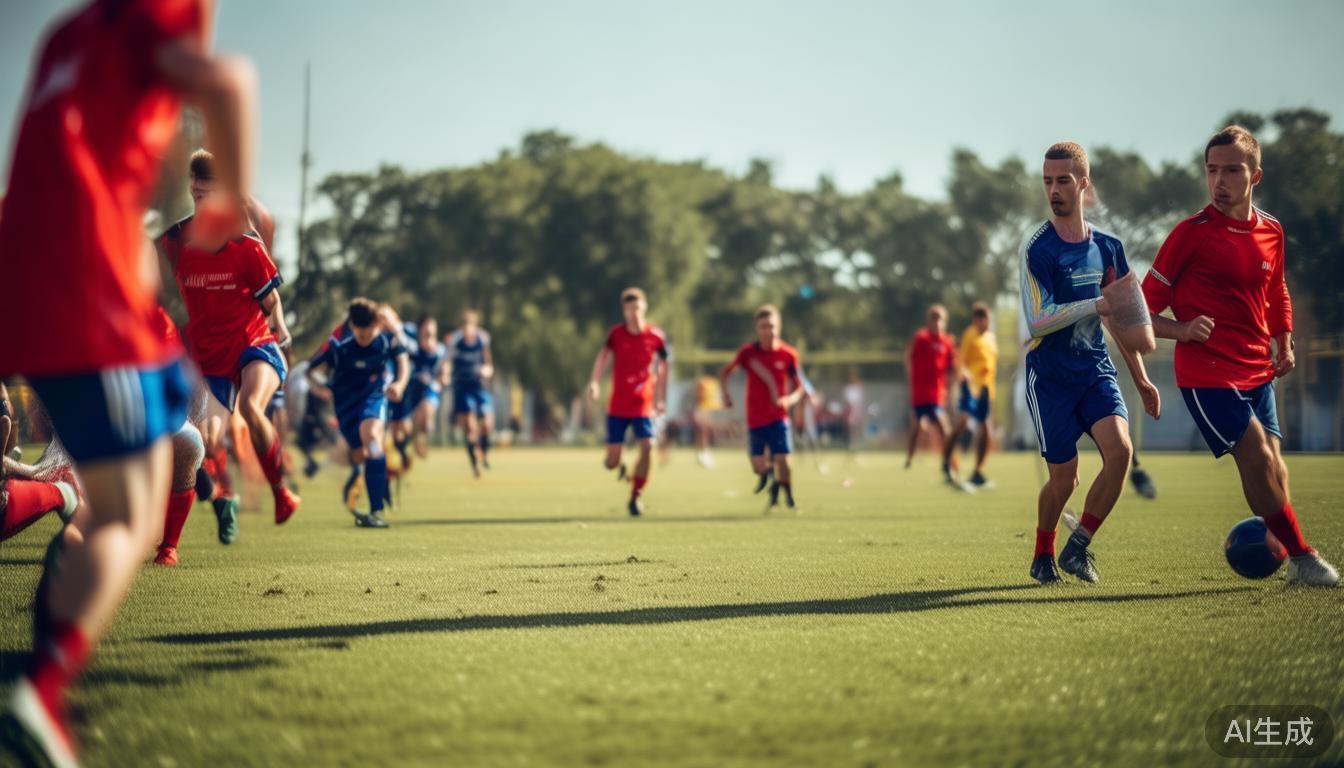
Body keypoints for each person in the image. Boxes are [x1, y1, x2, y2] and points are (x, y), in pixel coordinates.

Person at [0, 1, 256, 762]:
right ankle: (41, 690)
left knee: (117, 497)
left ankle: (43, 675)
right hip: (85, 285)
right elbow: (230, 82)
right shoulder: (157, 14)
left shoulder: (68, 34)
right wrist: (227, 204)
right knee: (126, 515)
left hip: (25, 280)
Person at [1141, 125, 1337, 586]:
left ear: (1255, 175)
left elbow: (1276, 288)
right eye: (1212, 170)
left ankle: (1288, 556)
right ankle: (1304, 556)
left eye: (1231, 170)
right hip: (1206, 374)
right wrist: (1181, 330)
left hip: (1257, 369)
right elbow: (1141, 311)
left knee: (1277, 468)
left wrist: (1284, 337)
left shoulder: (1272, 230)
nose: (1219, 180)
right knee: (1258, 458)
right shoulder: (1189, 234)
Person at [1021, 141, 1160, 585]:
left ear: (1083, 183)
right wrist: (1093, 304)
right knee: (1066, 480)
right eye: (1047, 181)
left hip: (1095, 370)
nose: (1054, 190)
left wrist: (1141, 379)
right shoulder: (1037, 249)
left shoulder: (1109, 247)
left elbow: (1122, 318)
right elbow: (1038, 320)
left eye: (1063, 180)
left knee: (1120, 452)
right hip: (1049, 378)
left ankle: (1078, 546)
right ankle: (1043, 553)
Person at [158, 150, 300, 532]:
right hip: (210, 356)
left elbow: (272, 300)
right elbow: (144, 278)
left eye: (208, 186)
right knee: (205, 442)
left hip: (255, 344)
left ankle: (281, 492)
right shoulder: (174, 241)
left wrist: (281, 326)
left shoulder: (246, 245)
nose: (200, 192)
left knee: (252, 408)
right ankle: (224, 495)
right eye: (196, 185)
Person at [306, 298, 409, 528]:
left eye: (368, 331)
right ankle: (378, 481)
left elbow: (403, 361)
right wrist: (321, 387)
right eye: (360, 331)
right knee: (359, 454)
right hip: (346, 405)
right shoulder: (338, 343)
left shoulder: (387, 340)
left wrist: (400, 384)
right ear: (352, 324)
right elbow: (311, 369)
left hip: (374, 396)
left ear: (376, 324)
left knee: (371, 438)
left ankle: (375, 511)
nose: (363, 336)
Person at [718, 305, 811, 509]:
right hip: (755, 418)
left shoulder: (788, 354)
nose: (768, 331)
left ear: (779, 326)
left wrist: (788, 400)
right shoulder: (748, 353)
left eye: (772, 326)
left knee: (783, 460)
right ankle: (772, 479)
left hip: (778, 417)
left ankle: (788, 495)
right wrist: (725, 394)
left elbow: (800, 388)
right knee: (758, 466)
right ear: (756, 328)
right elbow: (725, 373)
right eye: (763, 327)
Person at [587, 288, 668, 517]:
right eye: (630, 309)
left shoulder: (656, 337)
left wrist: (661, 397)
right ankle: (619, 463)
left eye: (638, 308)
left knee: (648, 447)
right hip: (618, 405)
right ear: (624, 311)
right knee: (611, 463)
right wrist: (594, 382)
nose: (634, 313)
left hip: (643, 404)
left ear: (645, 307)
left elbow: (664, 367)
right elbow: (603, 357)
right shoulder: (616, 334)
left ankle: (635, 496)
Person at [943, 302, 997, 488]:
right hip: (971, 387)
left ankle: (978, 472)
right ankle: (946, 462)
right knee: (963, 421)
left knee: (986, 430)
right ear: (975, 320)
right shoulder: (970, 334)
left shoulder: (991, 338)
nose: (982, 322)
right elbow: (960, 361)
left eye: (985, 318)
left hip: (986, 389)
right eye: (979, 318)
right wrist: (964, 375)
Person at [903, 305, 959, 482]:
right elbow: (908, 358)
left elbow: (952, 368)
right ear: (928, 320)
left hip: (936, 395)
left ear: (945, 321)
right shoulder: (921, 338)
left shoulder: (947, 342)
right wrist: (912, 380)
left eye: (939, 318)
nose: (936, 321)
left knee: (944, 427)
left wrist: (951, 390)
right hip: (920, 393)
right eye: (933, 317)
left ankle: (947, 462)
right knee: (916, 428)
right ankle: (910, 457)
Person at [445, 311, 494, 477]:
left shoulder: (482, 339)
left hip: (479, 386)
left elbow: (488, 363)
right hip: (463, 388)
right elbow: (447, 361)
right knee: (471, 428)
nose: (468, 331)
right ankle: (474, 465)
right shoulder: (456, 341)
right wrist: (445, 374)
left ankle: (484, 455)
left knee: (487, 425)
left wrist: (487, 370)